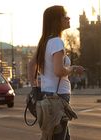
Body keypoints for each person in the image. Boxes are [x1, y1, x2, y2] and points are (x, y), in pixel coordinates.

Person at [28, 5, 78, 140]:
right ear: (57, 20)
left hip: (47, 94)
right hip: (59, 97)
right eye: (65, 16)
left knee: (61, 135)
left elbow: (31, 65)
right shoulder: (56, 42)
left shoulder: (45, 41)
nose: (68, 18)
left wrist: (34, 86)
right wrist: (71, 69)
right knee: (57, 136)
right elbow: (59, 71)